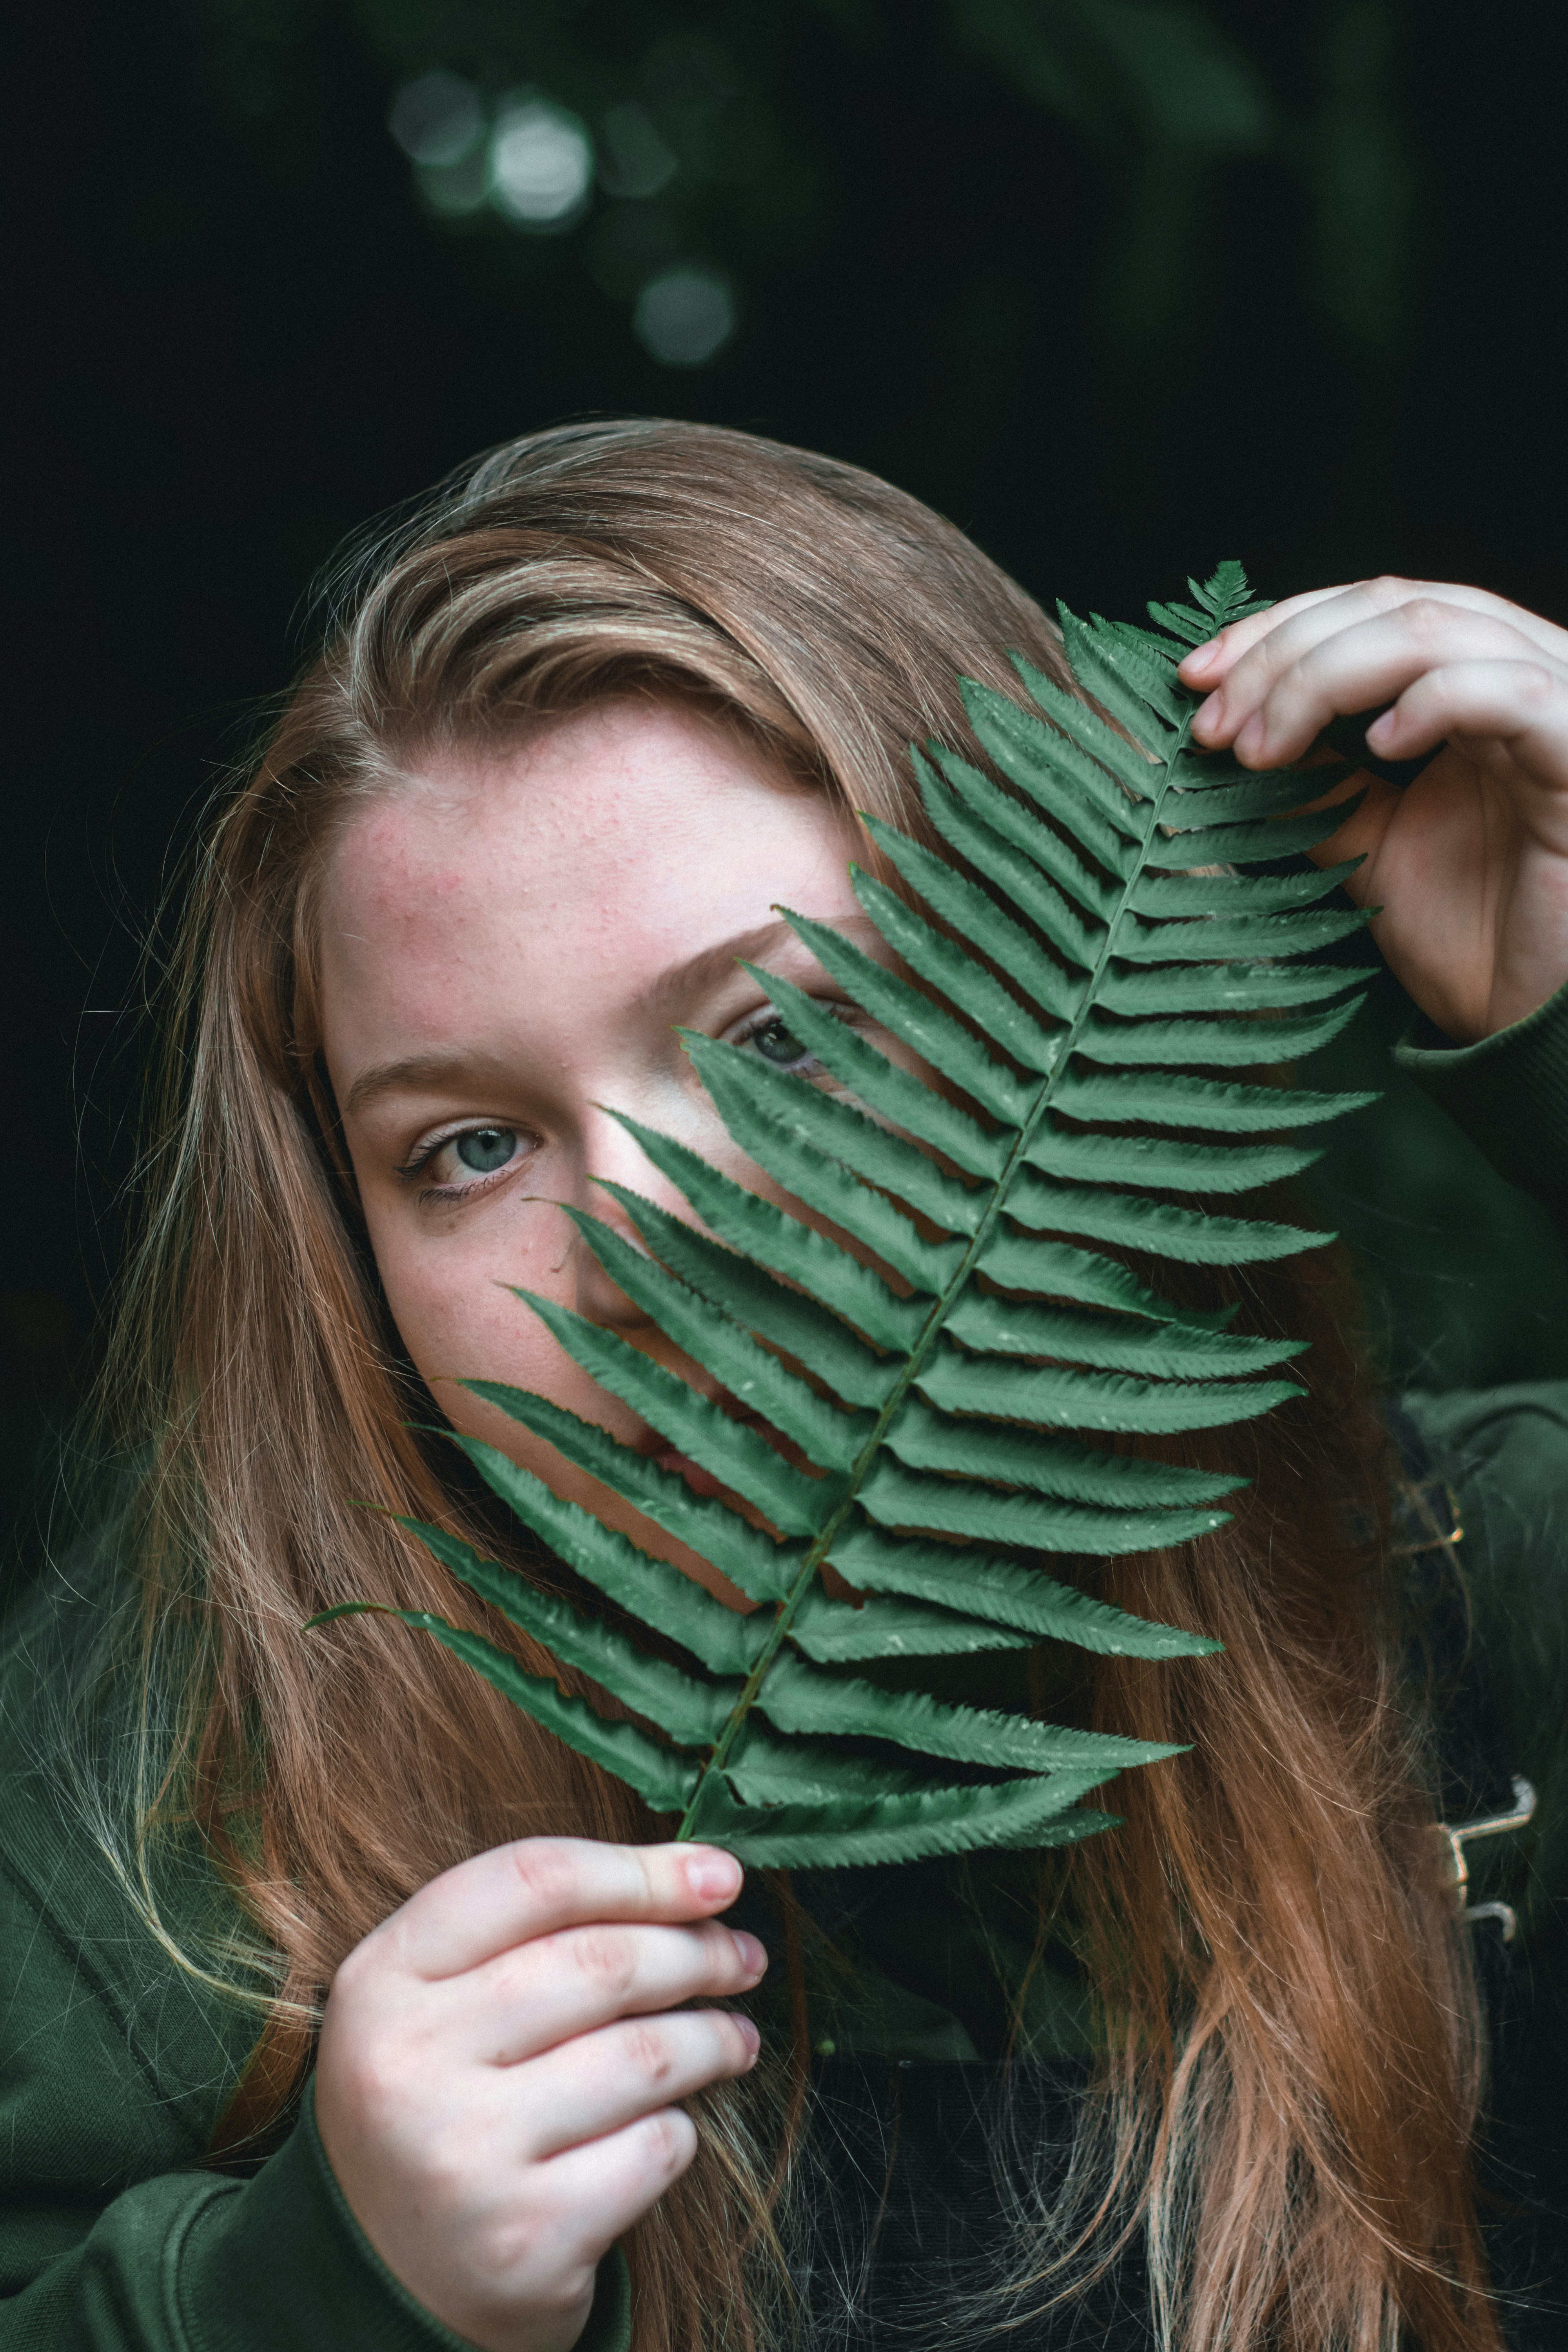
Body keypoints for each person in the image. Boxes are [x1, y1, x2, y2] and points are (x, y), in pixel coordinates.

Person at [2, 419, 1565, 2352]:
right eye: (469, 1148)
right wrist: (305, 2289)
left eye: (786, 1035)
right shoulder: (164, 1840)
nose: (650, 1244)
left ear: (1092, 1032)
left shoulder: (1484, 1612)